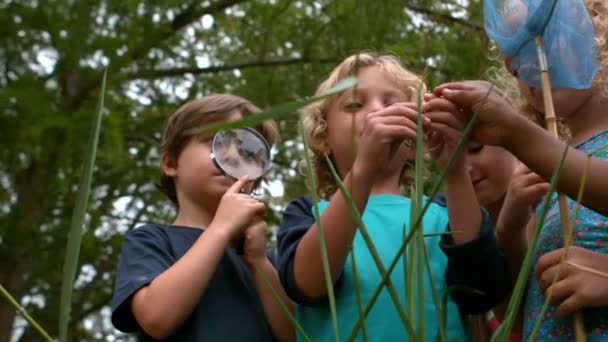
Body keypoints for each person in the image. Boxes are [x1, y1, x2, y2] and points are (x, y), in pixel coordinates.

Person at [276, 52, 511, 341]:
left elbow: (483, 291)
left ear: (414, 142)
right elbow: (309, 284)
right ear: (324, 138)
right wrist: (363, 169)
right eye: (354, 104)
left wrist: (455, 171)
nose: (377, 112)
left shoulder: (443, 213)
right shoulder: (309, 213)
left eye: (392, 104)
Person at [430, 1, 608, 339]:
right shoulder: (542, 169)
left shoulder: (545, 155)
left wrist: (518, 135)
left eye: (539, 43)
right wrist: (510, 229)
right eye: (515, 69)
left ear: (598, 29)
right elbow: (514, 305)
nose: (528, 74)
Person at [110, 94, 295, 341]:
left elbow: (297, 335)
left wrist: (259, 263)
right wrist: (221, 229)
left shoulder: (266, 261)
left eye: (247, 151)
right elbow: (156, 318)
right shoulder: (151, 240)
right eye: (212, 142)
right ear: (171, 163)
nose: (231, 155)